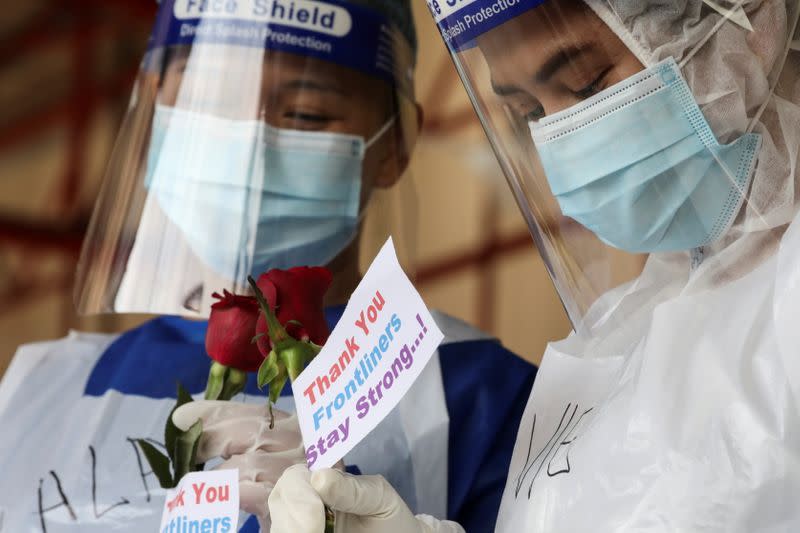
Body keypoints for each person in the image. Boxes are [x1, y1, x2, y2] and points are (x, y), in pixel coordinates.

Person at [0, 1, 536, 532]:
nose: (248, 146)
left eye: (305, 113)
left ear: (396, 142)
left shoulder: (481, 395)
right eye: (205, 100)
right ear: (155, 108)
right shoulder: (41, 391)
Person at [266, 1, 800, 531]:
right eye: (531, 113)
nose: (566, 137)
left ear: (755, 22)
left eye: (587, 84)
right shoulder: (634, 325)